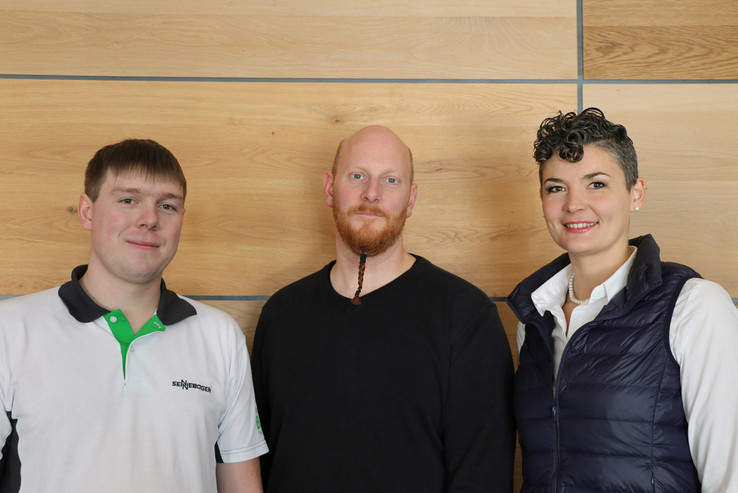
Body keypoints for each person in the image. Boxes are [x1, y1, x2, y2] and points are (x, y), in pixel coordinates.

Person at [251, 125, 515, 492]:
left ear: (411, 198)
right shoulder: (281, 315)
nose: (371, 193)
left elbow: (482, 477)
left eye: (390, 180)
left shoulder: (465, 317)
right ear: (330, 188)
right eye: (357, 176)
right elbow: (254, 461)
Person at [0, 139, 268, 492]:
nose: (150, 219)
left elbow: (241, 485)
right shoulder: (11, 329)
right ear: (87, 211)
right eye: (129, 200)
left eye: (167, 206)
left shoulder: (220, 336)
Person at [508, 108, 738, 492]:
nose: (574, 204)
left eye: (596, 184)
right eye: (556, 187)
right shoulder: (534, 318)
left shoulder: (694, 306)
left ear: (636, 194)